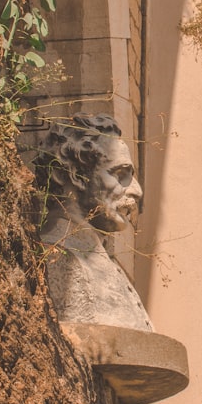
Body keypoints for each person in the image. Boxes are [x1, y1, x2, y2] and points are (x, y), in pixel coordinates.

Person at [36, 114, 152, 331]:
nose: (136, 191)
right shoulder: (57, 257)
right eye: (120, 174)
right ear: (76, 176)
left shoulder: (102, 262)